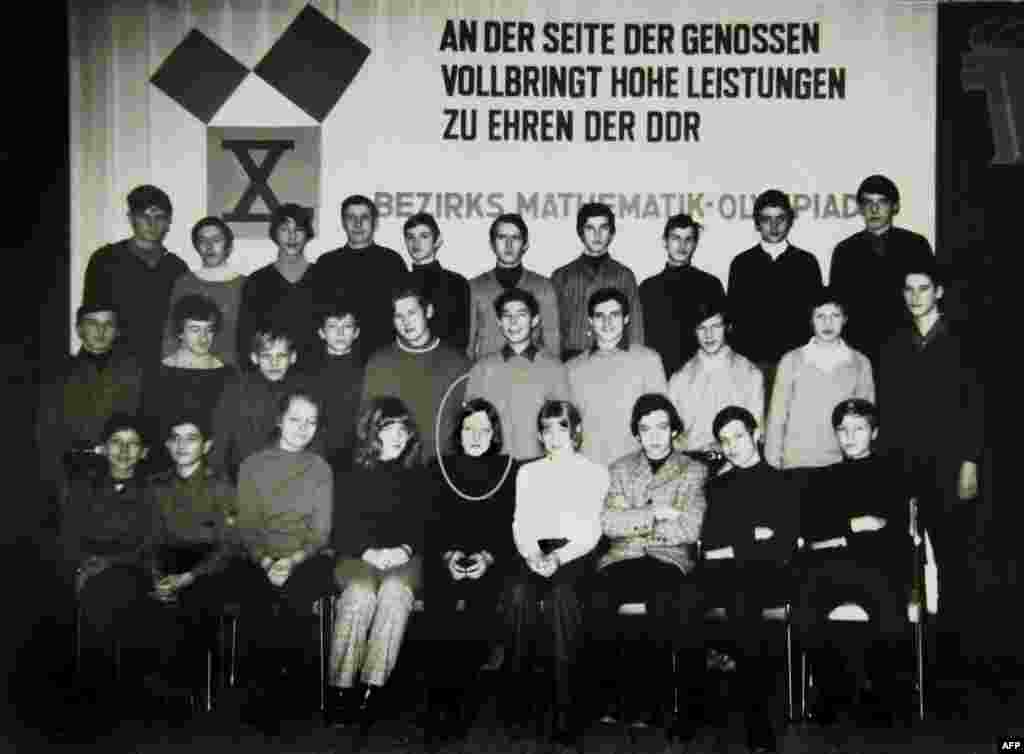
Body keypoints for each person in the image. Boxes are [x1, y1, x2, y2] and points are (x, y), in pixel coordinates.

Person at [878, 262, 984, 680]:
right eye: (908, 289)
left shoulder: (963, 340)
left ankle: (955, 661)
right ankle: (908, 661)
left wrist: (970, 462)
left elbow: (976, 406)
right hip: (904, 467)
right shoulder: (895, 343)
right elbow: (888, 408)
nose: (915, 296)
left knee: (955, 563)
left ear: (939, 292)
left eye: (924, 288)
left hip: (949, 466)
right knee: (900, 561)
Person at [590, 395, 707, 737]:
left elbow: (690, 528)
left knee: (664, 600)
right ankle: (609, 699)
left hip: (668, 560)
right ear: (637, 435)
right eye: (645, 430)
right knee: (595, 598)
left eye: (661, 428)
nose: (654, 437)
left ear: (673, 431)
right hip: (622, 558)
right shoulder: (620, 468)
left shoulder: (693, 470)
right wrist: (656, 513)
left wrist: (633, 515)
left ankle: (653, 705)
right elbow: (608, 523)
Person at [793, 399, 913, 727]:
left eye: (858, 429)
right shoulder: (823, 478)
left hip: (879, 566)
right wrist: (855, 526)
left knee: (887, 603)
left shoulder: (894, 472)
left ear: (874, 432)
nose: (849, 437)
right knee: (804, 604)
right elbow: (811, 530)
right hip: (829, 567)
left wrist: (840, 531)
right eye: (842, 430)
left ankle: (887, 697)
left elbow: (894, 531)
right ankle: (830, 693)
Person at [506, 400, 610, 747]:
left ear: (576, 431)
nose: (554, 436)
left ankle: (567, 711)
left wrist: (559, 559)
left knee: (562, 597)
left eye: (562, 427)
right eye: (547, 429)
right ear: (539, 434)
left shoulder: (595, 472)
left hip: (576, 554)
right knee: (519, 596)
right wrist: (534, 554)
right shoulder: (527, 473)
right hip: (535, 552)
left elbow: (591, 529)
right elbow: (521, 523)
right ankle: (521, 708)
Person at [147, 414, 271, 701]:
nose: (182, 445)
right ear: (166, 445)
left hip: (208, 562)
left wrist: (190, 577)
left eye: (191, 438)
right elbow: (148, 539)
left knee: (202, 598)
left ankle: (201, 693)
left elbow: (228, 546)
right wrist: (156, 576)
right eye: (175, 438)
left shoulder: (221, 485)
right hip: (167, 559)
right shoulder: (155, 485)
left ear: (206, 446)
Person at [234, 391, 336, 732]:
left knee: (295, 600)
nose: (302, 428)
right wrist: (266, 562)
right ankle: (258, 698)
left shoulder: (320, 468)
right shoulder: (252, 465)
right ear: (279, 420)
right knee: (257, 600)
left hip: (306, 557)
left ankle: (294, 700)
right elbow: (247, 526)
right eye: (295, 419)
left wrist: (290, 562)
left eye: (311, 422)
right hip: (258, 556)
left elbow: (321, 532)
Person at [700, 406, 799, 753]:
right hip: (725, 575)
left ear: (756, 433)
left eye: (738, 436)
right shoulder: (718, 486)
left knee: (745, 598)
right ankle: (735, 717)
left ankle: (754, 720)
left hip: (769, 576)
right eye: (724, 440)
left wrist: (737, 546)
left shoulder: (782, 482)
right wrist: (753, 537)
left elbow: (782, 544)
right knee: (708, 596)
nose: (731, 446)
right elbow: (710, 547)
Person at [328, 397, 430, 727]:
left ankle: (374, 687)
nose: (398, 436)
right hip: (358, 554)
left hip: (403, 557)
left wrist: (404, 548)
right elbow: (338, 525)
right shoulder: (347, 468)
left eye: (403, 429)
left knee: (395, 593)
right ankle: (341, 689)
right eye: (389, 428)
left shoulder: (418, 472)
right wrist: (367, 552)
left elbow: (425, 524)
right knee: (359, 595)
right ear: (372, 431)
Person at [58, 414, 168, 716]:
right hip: (88, 567)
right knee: (94, 592)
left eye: (133, 445)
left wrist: (108, 562)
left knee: (109, 592)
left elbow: (151, 542)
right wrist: (79, 568)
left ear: (144, 452)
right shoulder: (83, 488)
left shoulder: (151, 491)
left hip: (133, 568)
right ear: (103, 449)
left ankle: (105, 695)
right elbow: (69, 536)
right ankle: (95, 692)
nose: (123, 451)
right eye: (116, 443)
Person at [425, 398, 519, 745]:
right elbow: (430, 524)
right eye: (468, 428)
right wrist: (449, 556)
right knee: (441, 605)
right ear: (457, 432)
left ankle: (465, 704)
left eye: (484, 429)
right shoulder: (438, 468)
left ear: (495, 433)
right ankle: (438, 705)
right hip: (445, 559)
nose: (476, 436)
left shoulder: (509, 469)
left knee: (480, 607)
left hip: (490, 560)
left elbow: (510, 526)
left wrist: (487, 559)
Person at [36, 303, 143, 504]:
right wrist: (59, 484)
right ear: (79, 329)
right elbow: (47, 435)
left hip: (125, 472)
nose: (101, 331)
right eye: (92, 323)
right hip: (76, 474)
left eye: (108, 324)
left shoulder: (134, 371)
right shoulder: (59, 373)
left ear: (118, 331)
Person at [829, 175, 934, 366]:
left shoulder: (916, 246)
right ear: (860, 208)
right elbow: (839, 306)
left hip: (907, 348)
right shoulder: (845, 251)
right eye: (868, 202)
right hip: (859, 351)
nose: (874, 209)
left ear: (895, 206)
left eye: (882, 202)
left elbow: (930, 301)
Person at [765, 288, 874, 470]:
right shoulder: (791, 360)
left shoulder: (860, 363)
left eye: (835, 315)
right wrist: (774, 462)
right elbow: (777, 417)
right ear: (811, 320)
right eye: (820, 316)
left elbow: (865, 421)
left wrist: (860, 463)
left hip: (841, 463)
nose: (827, 323)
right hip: (796, 462)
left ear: (845, 319)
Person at [82, 185, 188, 368]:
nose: (151, 224)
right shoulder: (105, 260)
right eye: (144, 216)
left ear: (169, 222)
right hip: (114, 366)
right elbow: (92, 321)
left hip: (162, 370)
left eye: (159, 217)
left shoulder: (176, 268)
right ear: (131, 218)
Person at [360, 287, 470, 463]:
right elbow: (366, 422)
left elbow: (468, 421)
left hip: (442, 465)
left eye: (411, 313)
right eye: (398, 316)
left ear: (428, 311)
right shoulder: (379, 362)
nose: (406, 322)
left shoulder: (458, 362)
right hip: (393, 467)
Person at [727, 189, 823, 390]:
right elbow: (735, 319)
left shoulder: (806, 263)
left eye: (780, 218)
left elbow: (815, 318)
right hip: (753, 367)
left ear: (790, 221)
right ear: (757, 223)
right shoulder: (742, 264)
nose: (774, 226)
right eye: (766, 219)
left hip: (797, 364)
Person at [465, 288, 572, 460]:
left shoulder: (554, 368)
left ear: (534, 320)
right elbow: (471, 424)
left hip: (538, 465)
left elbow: (563, 424)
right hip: (493, 464)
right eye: (507, 316)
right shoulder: (482, 368)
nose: (513, 322)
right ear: (499, 322)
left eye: (521, 315)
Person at [567, 288, 667, 467]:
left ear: (626, 318)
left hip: (637, 468)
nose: (607, 322)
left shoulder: (649, 360)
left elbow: (661, 421)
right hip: (589, 468)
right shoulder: (572, 368)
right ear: (590, 321)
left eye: (614, 314)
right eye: (599, 316)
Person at [142, 294, 234, 470]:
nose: (203, 337)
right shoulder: (156, 373)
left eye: (209, 329)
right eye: (194, 329)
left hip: (212, 470)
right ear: (180, 332)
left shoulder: (227, 375)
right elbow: (150, 429)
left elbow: (226, 433)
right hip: (162, 469)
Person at [209, 328, 314, 482]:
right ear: (254, 358)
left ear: (293, 357)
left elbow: (315, 440)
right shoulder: (237, 389)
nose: (274, 363)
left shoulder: (303, 391)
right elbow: (221, 437)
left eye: (281, 356)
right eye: (266, 356)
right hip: (244, 477)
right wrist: (219, 476)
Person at [312, 194, 408, 360]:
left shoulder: (392, 261)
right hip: (338, 357)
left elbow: (404, 312)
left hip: (384, 357)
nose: (358, 223)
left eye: (364, 217)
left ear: (375, 223)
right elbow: (317, 316)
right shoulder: (326, 263)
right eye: (351, 217)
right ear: (343, 223)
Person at [668, 298, 764, 455]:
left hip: (737, 460)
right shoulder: (679, 378)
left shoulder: (750, 374)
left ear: (727, 327)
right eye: (701, 328)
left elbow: (756, 431)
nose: (708, 334)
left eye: (716, 326)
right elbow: (671, 435)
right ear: (693, 331)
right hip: (691, 462)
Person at [552, 202, 644, 361]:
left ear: (612, 233)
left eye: (603, 228)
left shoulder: (624, 275)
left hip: (614, 360)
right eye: (590, 228)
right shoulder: (562, 276)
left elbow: (635, 329)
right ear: (581, 233)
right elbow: (551, 329)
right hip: (570, 360)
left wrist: (635, 363)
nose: (597, 235)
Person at [640, 213, 726, 376]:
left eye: (688, 239)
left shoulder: (710, 285)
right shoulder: (648, 288)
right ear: (665, 242)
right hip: (659, 376)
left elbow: (722, 339)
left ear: (695, 244)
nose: (682, 245)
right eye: (676, 238)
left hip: (701, 376)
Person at [467, 213, 561, 360]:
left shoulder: (543, 287)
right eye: (502, 237)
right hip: (488, 376)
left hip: (531, 375)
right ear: (492, 244)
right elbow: (469, 344)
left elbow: (552, 344)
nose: (508, 245)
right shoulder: (475, 287)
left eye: (515, 238)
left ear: (525, 244)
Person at [236, 203, 320, 365]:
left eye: (299, 230)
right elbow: (245, 338)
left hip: (315, 376)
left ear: (307, 234)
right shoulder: (257, 282)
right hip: (269, 375)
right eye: (284, 230)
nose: (292, 236)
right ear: (274, 234)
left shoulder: (324, 278)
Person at [161, 216, 246, 366]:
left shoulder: (246, 285)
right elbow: (170, 334)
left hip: (232, 373)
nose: (209, 246)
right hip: (189, 371)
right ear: (196, 246)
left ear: (228, 246)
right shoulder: (184, 283)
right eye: (203, 240)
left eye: (216, 240)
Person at [306, 301, 366, 465]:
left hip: (358, 455)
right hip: (316, 455)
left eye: (347, 326)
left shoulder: (368, 370)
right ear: (321, 332)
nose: (340, 333)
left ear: (356, 332)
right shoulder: (308, 373)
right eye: (332, 326)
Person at [403, 212, 470, 353]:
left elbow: (462, 337)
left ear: (438, 240)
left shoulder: (456, 283)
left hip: (446, 366)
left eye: (424, 236)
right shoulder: (399, 283)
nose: (416, 243)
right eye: (410, 237)